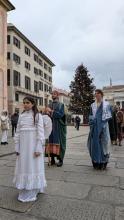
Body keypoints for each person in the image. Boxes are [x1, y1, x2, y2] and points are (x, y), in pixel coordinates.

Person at [13, 96, 46, 202]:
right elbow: (17, 132)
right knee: (24, 165)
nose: (25, 104)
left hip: (33, 147)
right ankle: (24, 186)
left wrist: (38, 148)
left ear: (32, 104)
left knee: (33, 165)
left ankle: (34, 187)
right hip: (23, 147)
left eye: (27, 102)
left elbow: (41, 133)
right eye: (24, 102)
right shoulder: (21, 116)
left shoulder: (37, 116)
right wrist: (17, 147)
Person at [87, 89, 111, 170]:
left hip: (103, 127)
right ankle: (96, 161)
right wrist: (92, 120)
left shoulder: (106, 104)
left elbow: (108, 116)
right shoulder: (92, 105)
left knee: (104, 144)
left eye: (98, 93)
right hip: (94, 127)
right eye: (95, 94)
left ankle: (104, 162)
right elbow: (90, 115)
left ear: (101, 94)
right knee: (95, 144)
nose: (96, 95)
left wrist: (101, 125)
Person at [45, 90, 67, 167]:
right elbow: (46, 115)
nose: (53, 95)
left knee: (59, 142)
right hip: (50, 126)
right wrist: (47, 113)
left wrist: (51, 112)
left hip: (58, 126)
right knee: (50, 142)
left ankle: (60, 160)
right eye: (52, 94)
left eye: (55, 94)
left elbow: (61, 114)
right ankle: (53, 159)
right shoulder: (49, 104)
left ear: (57, 95)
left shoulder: (61, 105)